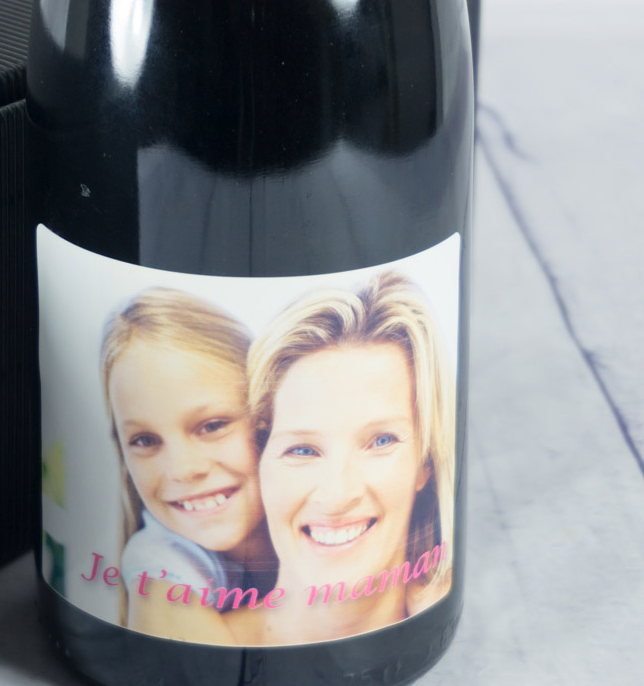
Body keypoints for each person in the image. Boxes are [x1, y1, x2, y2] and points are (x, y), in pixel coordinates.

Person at [231, 271, 455, 645]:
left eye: (381, 441)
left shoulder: (436, 621)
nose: (337, 495)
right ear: (259, 462)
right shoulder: (199, 645)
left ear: (426, 462)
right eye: (302, 450)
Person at [100, 287, 274, 644]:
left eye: (212, 425)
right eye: (145, 441)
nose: (182, 469)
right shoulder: (161, 560)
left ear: (267, 416)